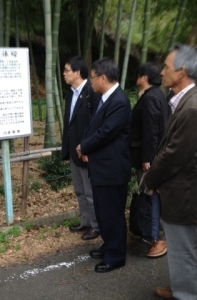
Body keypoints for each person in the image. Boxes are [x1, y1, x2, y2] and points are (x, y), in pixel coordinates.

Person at [142, 44, 197, 299]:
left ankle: (186, 294)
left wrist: (149, 179)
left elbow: (174, 155)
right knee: (182, 245)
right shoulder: (185, 102)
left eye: (167, 67)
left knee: (183, 247)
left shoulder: (191, 107)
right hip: (180, 188)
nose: (162, 71)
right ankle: (182, 287)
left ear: (182, 71)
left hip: (182, 191)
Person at [76, 57, 131, 273]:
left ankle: (116, 256)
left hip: (112, 170)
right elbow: (94, 127)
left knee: (112, 214)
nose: (90, 82)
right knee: (103, 211)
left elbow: (106, 132)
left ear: (103, 78)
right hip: (102, 168)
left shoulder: (119, 101)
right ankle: (109, 245)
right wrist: (86, 147)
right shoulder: (105, 98)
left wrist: (84, 147)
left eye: (92, 78)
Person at [130, 62, 169, 258]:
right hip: (151, 156)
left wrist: (147, 158)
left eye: (139, 74)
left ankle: (160, 238)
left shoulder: (151, 97)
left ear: (144, 77)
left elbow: (152, 131)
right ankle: (154, 233)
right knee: (151, 197)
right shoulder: (154, 95)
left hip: (150, 159)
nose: (137, 77)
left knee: (153, 197)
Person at [61, 56, 100, 240]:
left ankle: (96, 225)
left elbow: (96, 124)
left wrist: (87, 148)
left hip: (86, 152)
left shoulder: (92, 91)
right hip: (73, 150)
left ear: (77, 72)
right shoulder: (71, 93)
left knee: (90, 191)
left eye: (67, 70)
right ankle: (86, 222)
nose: (64, 74)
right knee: (79, 190)